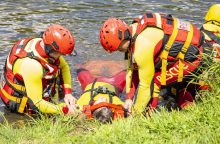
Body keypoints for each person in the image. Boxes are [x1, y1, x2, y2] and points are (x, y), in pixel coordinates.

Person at [99, 12, 207, 114]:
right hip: (189, 49)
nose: (120, 51)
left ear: (123, 37)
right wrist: (129, 98)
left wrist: (135, 113)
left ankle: (147, 117)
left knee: (155, 82)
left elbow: (146, 86)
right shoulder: (134, 31)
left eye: (119, 48)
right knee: (153, 77)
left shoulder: (142, 45)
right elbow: (132, 69)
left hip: (194, 57)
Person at [0, 24, 77, 115]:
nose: (60, 57)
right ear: (49, 48)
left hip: (32, 82)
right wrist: (64, 110)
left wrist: (68, 93)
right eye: (59, 54)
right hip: (20, 102)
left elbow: (64, 67)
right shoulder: (32, 66)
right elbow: (37, 103)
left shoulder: (41, 43)